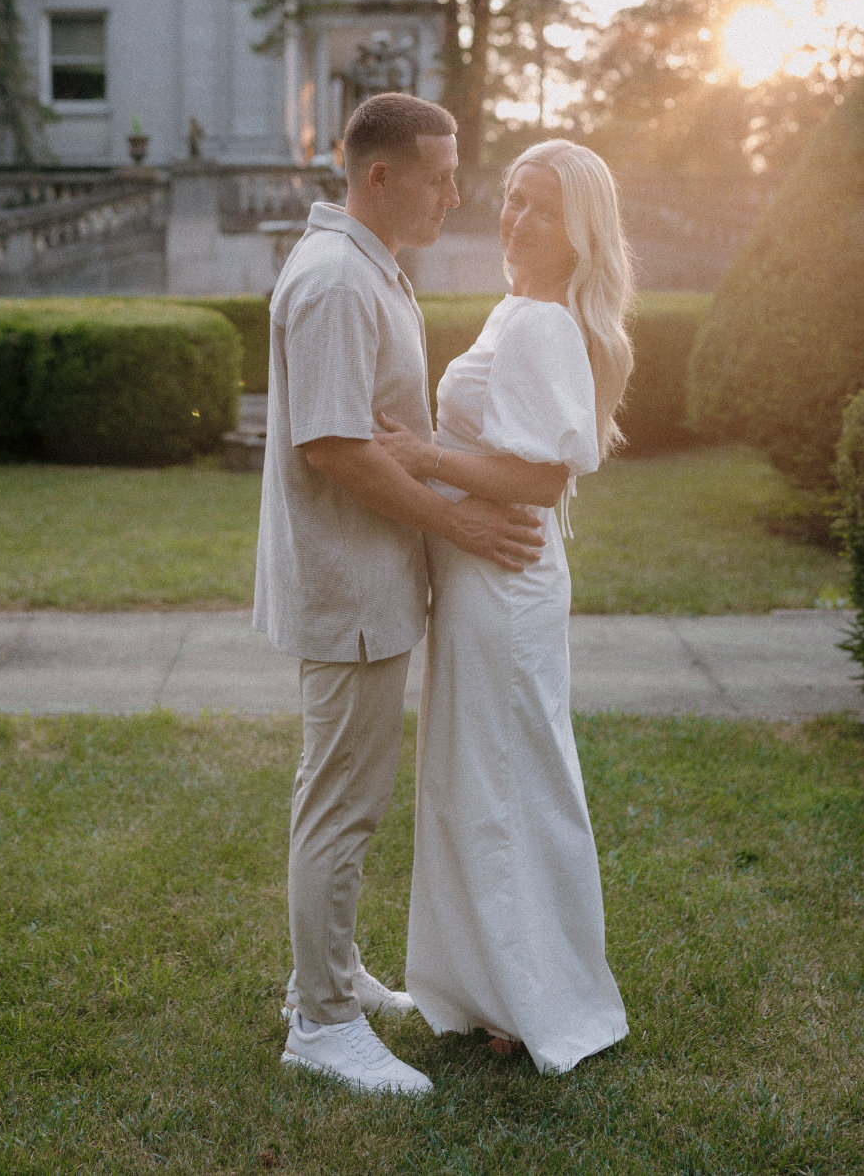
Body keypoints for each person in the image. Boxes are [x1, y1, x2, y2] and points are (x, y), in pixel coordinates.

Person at [254, 92, 546, 1097]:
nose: (456, 195)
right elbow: (334, 448)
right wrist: (463, 521)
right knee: (340, 806)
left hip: (369, 580)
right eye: (439, 176)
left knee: (344, 798)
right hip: (349, 585)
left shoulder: (365, 266)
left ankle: (327, 978)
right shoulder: (336, 276)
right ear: (378, 176)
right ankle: (321, 1023)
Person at [374, 139, 633, 1073]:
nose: (514, 219)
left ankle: (537, 999)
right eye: (512, 199)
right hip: (485, 580)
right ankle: (487, 987)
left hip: (506, 580)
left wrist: (424, 460)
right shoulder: (518, 311)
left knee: (508, 783)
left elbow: (538, 474)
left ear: (578, 235)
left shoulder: (541, 326)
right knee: (476, 779)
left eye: (540, 209)